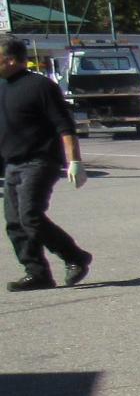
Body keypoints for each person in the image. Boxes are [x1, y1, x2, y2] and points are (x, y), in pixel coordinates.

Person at [1, 37, 91, 291]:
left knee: (30, 215)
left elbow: (65, 126)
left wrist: (75, 161)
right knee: (14, 222)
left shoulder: (40, 87)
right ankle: (37, 273)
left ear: (10, 59)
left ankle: (75, 257)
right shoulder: (2, 87)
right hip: (12, 164)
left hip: (40, 161)